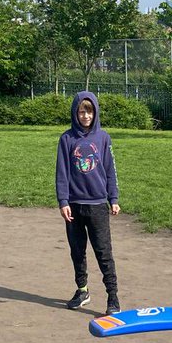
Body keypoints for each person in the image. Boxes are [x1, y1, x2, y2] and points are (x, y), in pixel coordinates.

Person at [56, 91, 121, 315]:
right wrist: (63, 201)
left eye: (89, 111)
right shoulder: (66, 139)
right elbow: (62, 173)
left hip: (97, 206)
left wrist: (113, 198)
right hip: (74, 205)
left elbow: (111, 170)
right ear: (75, 113)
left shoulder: (103, 138)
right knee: (77, 251)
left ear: (95, 113)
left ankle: (113, 297)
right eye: (82, 111)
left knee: (103, 252)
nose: (85, 116)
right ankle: (82, 290)